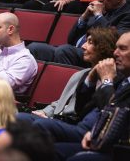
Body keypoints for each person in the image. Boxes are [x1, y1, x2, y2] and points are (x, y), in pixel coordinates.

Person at [18, 27, 119, 133]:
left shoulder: (112, 80)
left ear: (103, 47)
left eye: (90, 43)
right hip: (54, 118)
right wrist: (45, 112)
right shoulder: (80, 74)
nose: (83, 47)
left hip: (75, 125)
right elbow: (61, 102)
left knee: (22, 119)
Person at [54, 30, 130, 161]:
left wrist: (106, 81)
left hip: (115, 146)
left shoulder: (116, 78)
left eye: (122, 49)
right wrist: (90, 80)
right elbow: (83, 109)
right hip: (92, 132)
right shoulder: (125, 81)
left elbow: (116, 113)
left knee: (39, 129)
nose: (115, 53)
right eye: (116, 48)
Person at [28, 0, 130, 67]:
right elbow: (71, 40)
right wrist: (85, 16)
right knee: (35, 48)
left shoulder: (126, 15)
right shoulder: (102, 8)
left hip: (97, 58)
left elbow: (115, 40)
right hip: (75, 50)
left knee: (65, 51)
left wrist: (99, 16)